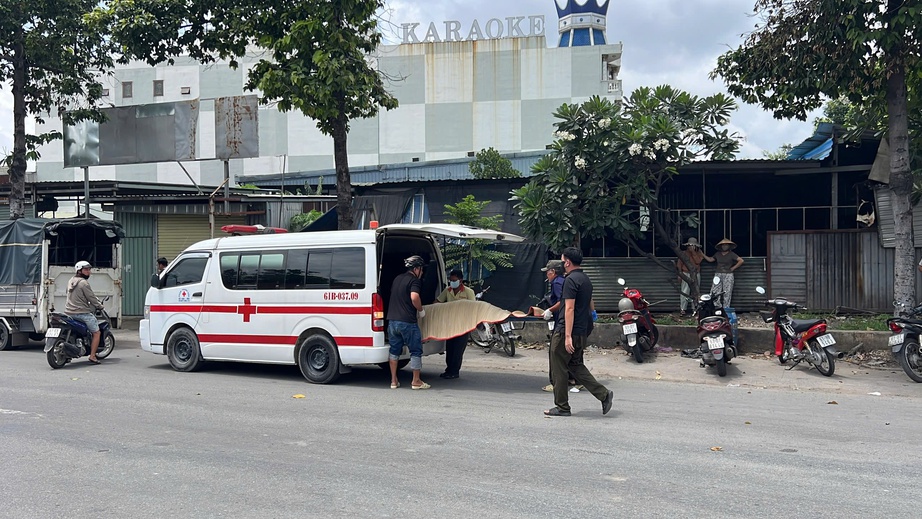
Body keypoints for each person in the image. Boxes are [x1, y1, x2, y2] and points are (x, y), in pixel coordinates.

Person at [544, 247, 614, 417]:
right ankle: (603, 394)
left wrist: (566, 336)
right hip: (581, 332)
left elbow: (569, 308)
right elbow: (589, 302)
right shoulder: (585, 279)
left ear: (567, 262)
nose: (562, 264)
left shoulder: (570, 280)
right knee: (575, 365)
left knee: (558, 368)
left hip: (566, 332)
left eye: (562, 261)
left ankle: (562, 407)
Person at [386, 255, 430, 390]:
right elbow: (414, 297)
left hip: (392, 321)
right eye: (421, 270)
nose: (422, 272)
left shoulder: (397, 279)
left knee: (394, 351)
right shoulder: (415, 281)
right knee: (416, 350)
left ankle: (394, 381)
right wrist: (421, 310)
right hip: (407, 322)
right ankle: (416, 381)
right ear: (416, 269)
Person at [435, 269, 476, 379]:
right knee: (450, 348)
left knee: (458, 349)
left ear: (461, 280)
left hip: (463, 325)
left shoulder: (468, 292)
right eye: (451, 280)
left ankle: (454, 371)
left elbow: (473, 308)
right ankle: (448, 370)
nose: (452, 282)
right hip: (450, 324)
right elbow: (438, 302)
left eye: (454, 280)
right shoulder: (448, 290)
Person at [533, 260, 565, 392]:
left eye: (548, 272)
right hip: (567, 321)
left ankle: (555, 383)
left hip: (561, 322)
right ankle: (572, 380)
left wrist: (550, 310)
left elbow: (561, 301)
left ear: (553, 272)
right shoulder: (563, 281)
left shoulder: (557, 283)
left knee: (555, 352)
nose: (546, 274)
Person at [65, 261, 105, 364]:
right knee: (96, 332)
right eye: (86, 270)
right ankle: (92, 356)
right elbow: (91, 297)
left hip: (69, 312)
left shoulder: (71, 281)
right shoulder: (84, 283)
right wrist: (100, 306)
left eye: (89, 269)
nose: (89, 272)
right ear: (79, 270)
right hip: (82, 313)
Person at [676, 237, 713, 317]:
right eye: (689, 246)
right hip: (685, 273)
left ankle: (695, 308)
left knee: (695, 292)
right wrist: (679, 274)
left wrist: (693, 253)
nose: (691, 247)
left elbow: (698, 261)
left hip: (696, 274)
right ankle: (683, 309)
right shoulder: (683, 253)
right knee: (684, 291)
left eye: (692, 246)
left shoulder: (699, 253)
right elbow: (679, 264)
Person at [711, 238, 744, 308]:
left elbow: (741, 260)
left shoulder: (731, 254)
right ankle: (717, 307)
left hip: (728, 274)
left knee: (727, 291)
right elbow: (711, 259)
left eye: (726, 245)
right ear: (721, 246)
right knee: (715, 291)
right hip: (718, 274)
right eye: (723, 245)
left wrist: (733, 268)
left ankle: (726, 308)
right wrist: (701, 254)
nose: (724, 246)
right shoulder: (718, 254)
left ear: (729, 246)